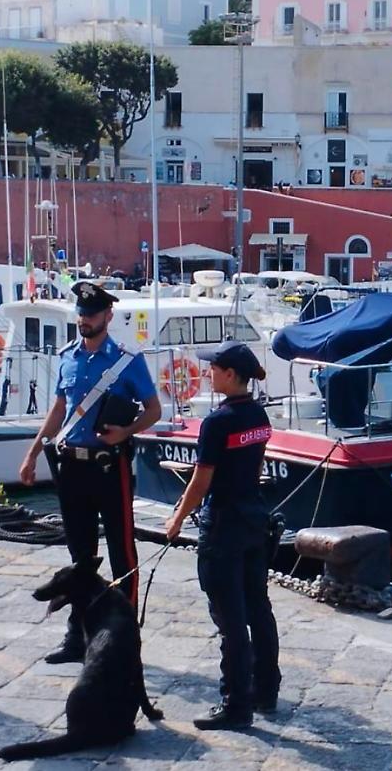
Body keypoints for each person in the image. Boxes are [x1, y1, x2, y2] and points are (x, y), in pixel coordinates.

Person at [19, 282, 162, 663]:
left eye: (92, 315)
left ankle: (123, 632)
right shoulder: (68, 357)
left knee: (121, 550)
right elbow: (58, 411)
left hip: (108, 466)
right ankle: (78, 636)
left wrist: (126, 432)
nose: (85, 320)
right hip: (72, 466)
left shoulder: (127, 359)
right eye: (81, 314)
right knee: (80, 555)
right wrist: (33, 452)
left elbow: (153, 409)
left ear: (108, 316)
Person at [165, 341, 280, 731]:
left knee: (229, 617)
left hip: (224, 525)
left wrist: (178, 518)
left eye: (214, 368)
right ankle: (266, 689)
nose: (208, 372)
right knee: (258, 609)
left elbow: (202, 479)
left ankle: (235, 703)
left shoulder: (218, 422)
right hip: (253, 518)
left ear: (230, 374)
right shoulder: (258, 415)